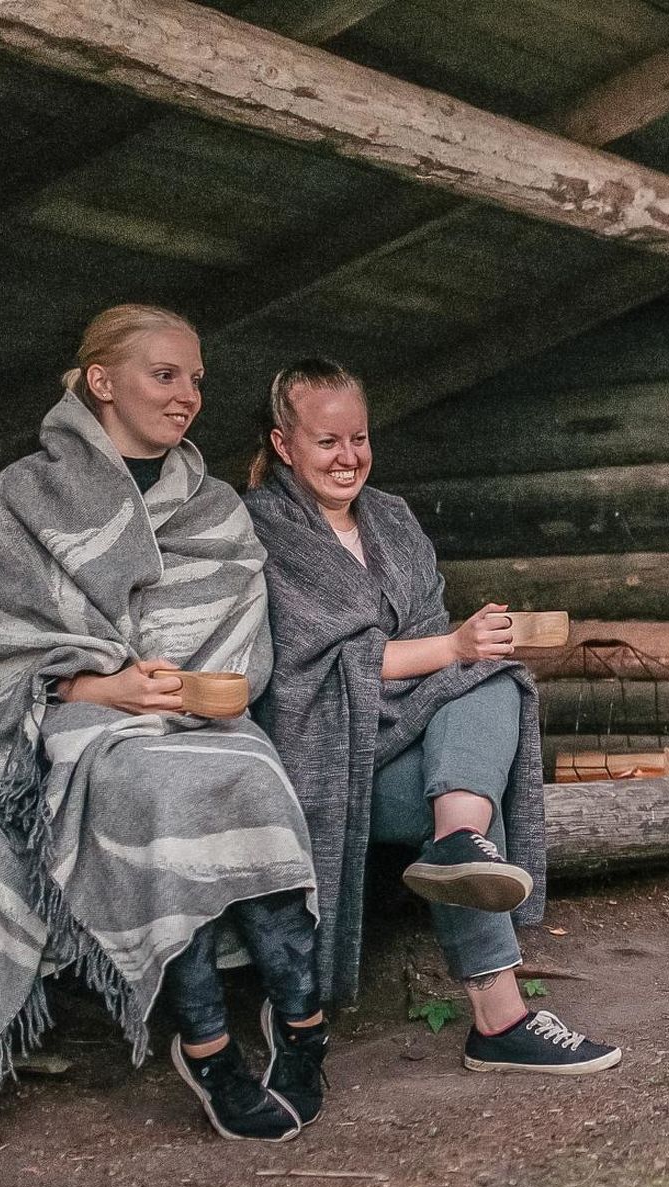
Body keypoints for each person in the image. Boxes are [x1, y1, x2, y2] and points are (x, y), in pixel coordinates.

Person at [0, 304, 326, 1141]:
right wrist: (105, 691)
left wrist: (199, 690)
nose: (188, 396)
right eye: (164, 374)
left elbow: (240, 644)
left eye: (196, 380)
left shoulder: (211, 505)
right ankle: (207, 1048)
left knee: (257, 776)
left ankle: (304, 1028)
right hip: (74, 725)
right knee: (152, 788)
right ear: (103, 382)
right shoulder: (24, 498)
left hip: (196, 718)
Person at [243, 359, 619, 1075]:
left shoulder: (392, 518)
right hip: (324, 751)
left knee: (495, 677)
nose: (348, 457)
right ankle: (499, 1019)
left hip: (410, 733)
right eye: (327, 442)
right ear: (285, 444)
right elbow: (306, 662)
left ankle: (459, 843)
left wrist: (455, 651)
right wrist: (449, 646)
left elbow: (432, 654)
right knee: (469, 697)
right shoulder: (263, 529)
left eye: (359, 438)